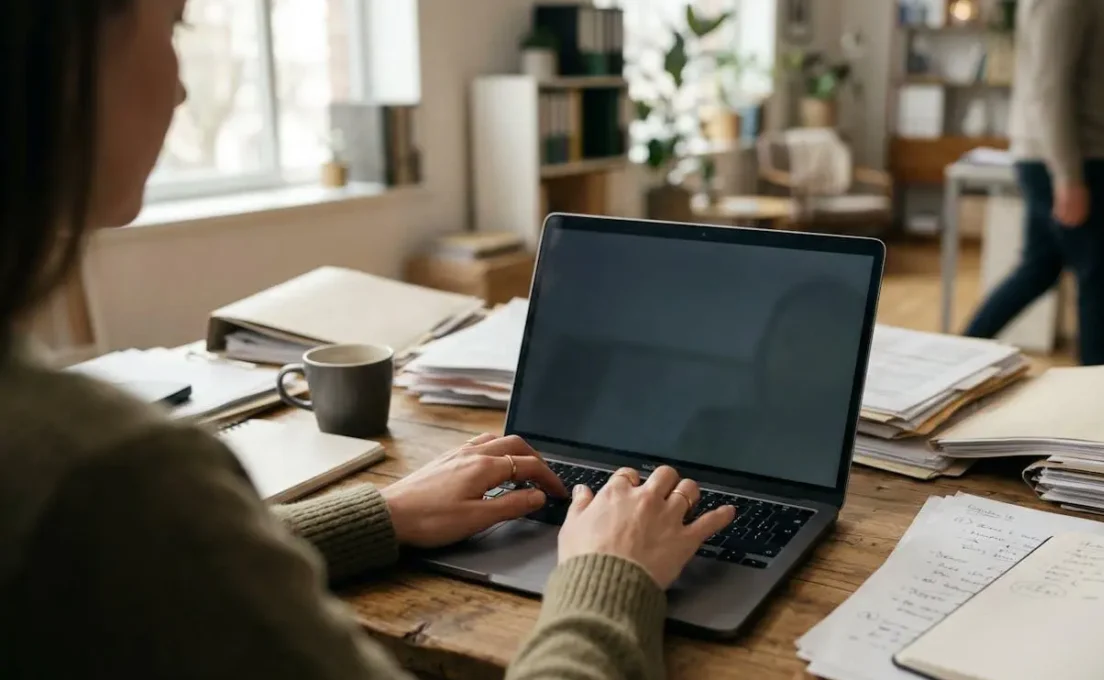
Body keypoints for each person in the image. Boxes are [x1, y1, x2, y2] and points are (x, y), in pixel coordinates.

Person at [0, 2, 735, 679]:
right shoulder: (112, 474)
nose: (182, 91)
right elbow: (141, 537)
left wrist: (381, 515)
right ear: (62, 56)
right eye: (175, 27)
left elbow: (151, 572)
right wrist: (610, 574)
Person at [963, 0, 1104, 365]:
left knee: (1040, 269)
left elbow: (1093, 83)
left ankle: (958, 351)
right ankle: (1101, 388)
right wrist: (1068, 176)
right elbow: (1050, 88)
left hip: (1061, 157)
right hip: (1067, 159)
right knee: (1100, 280)